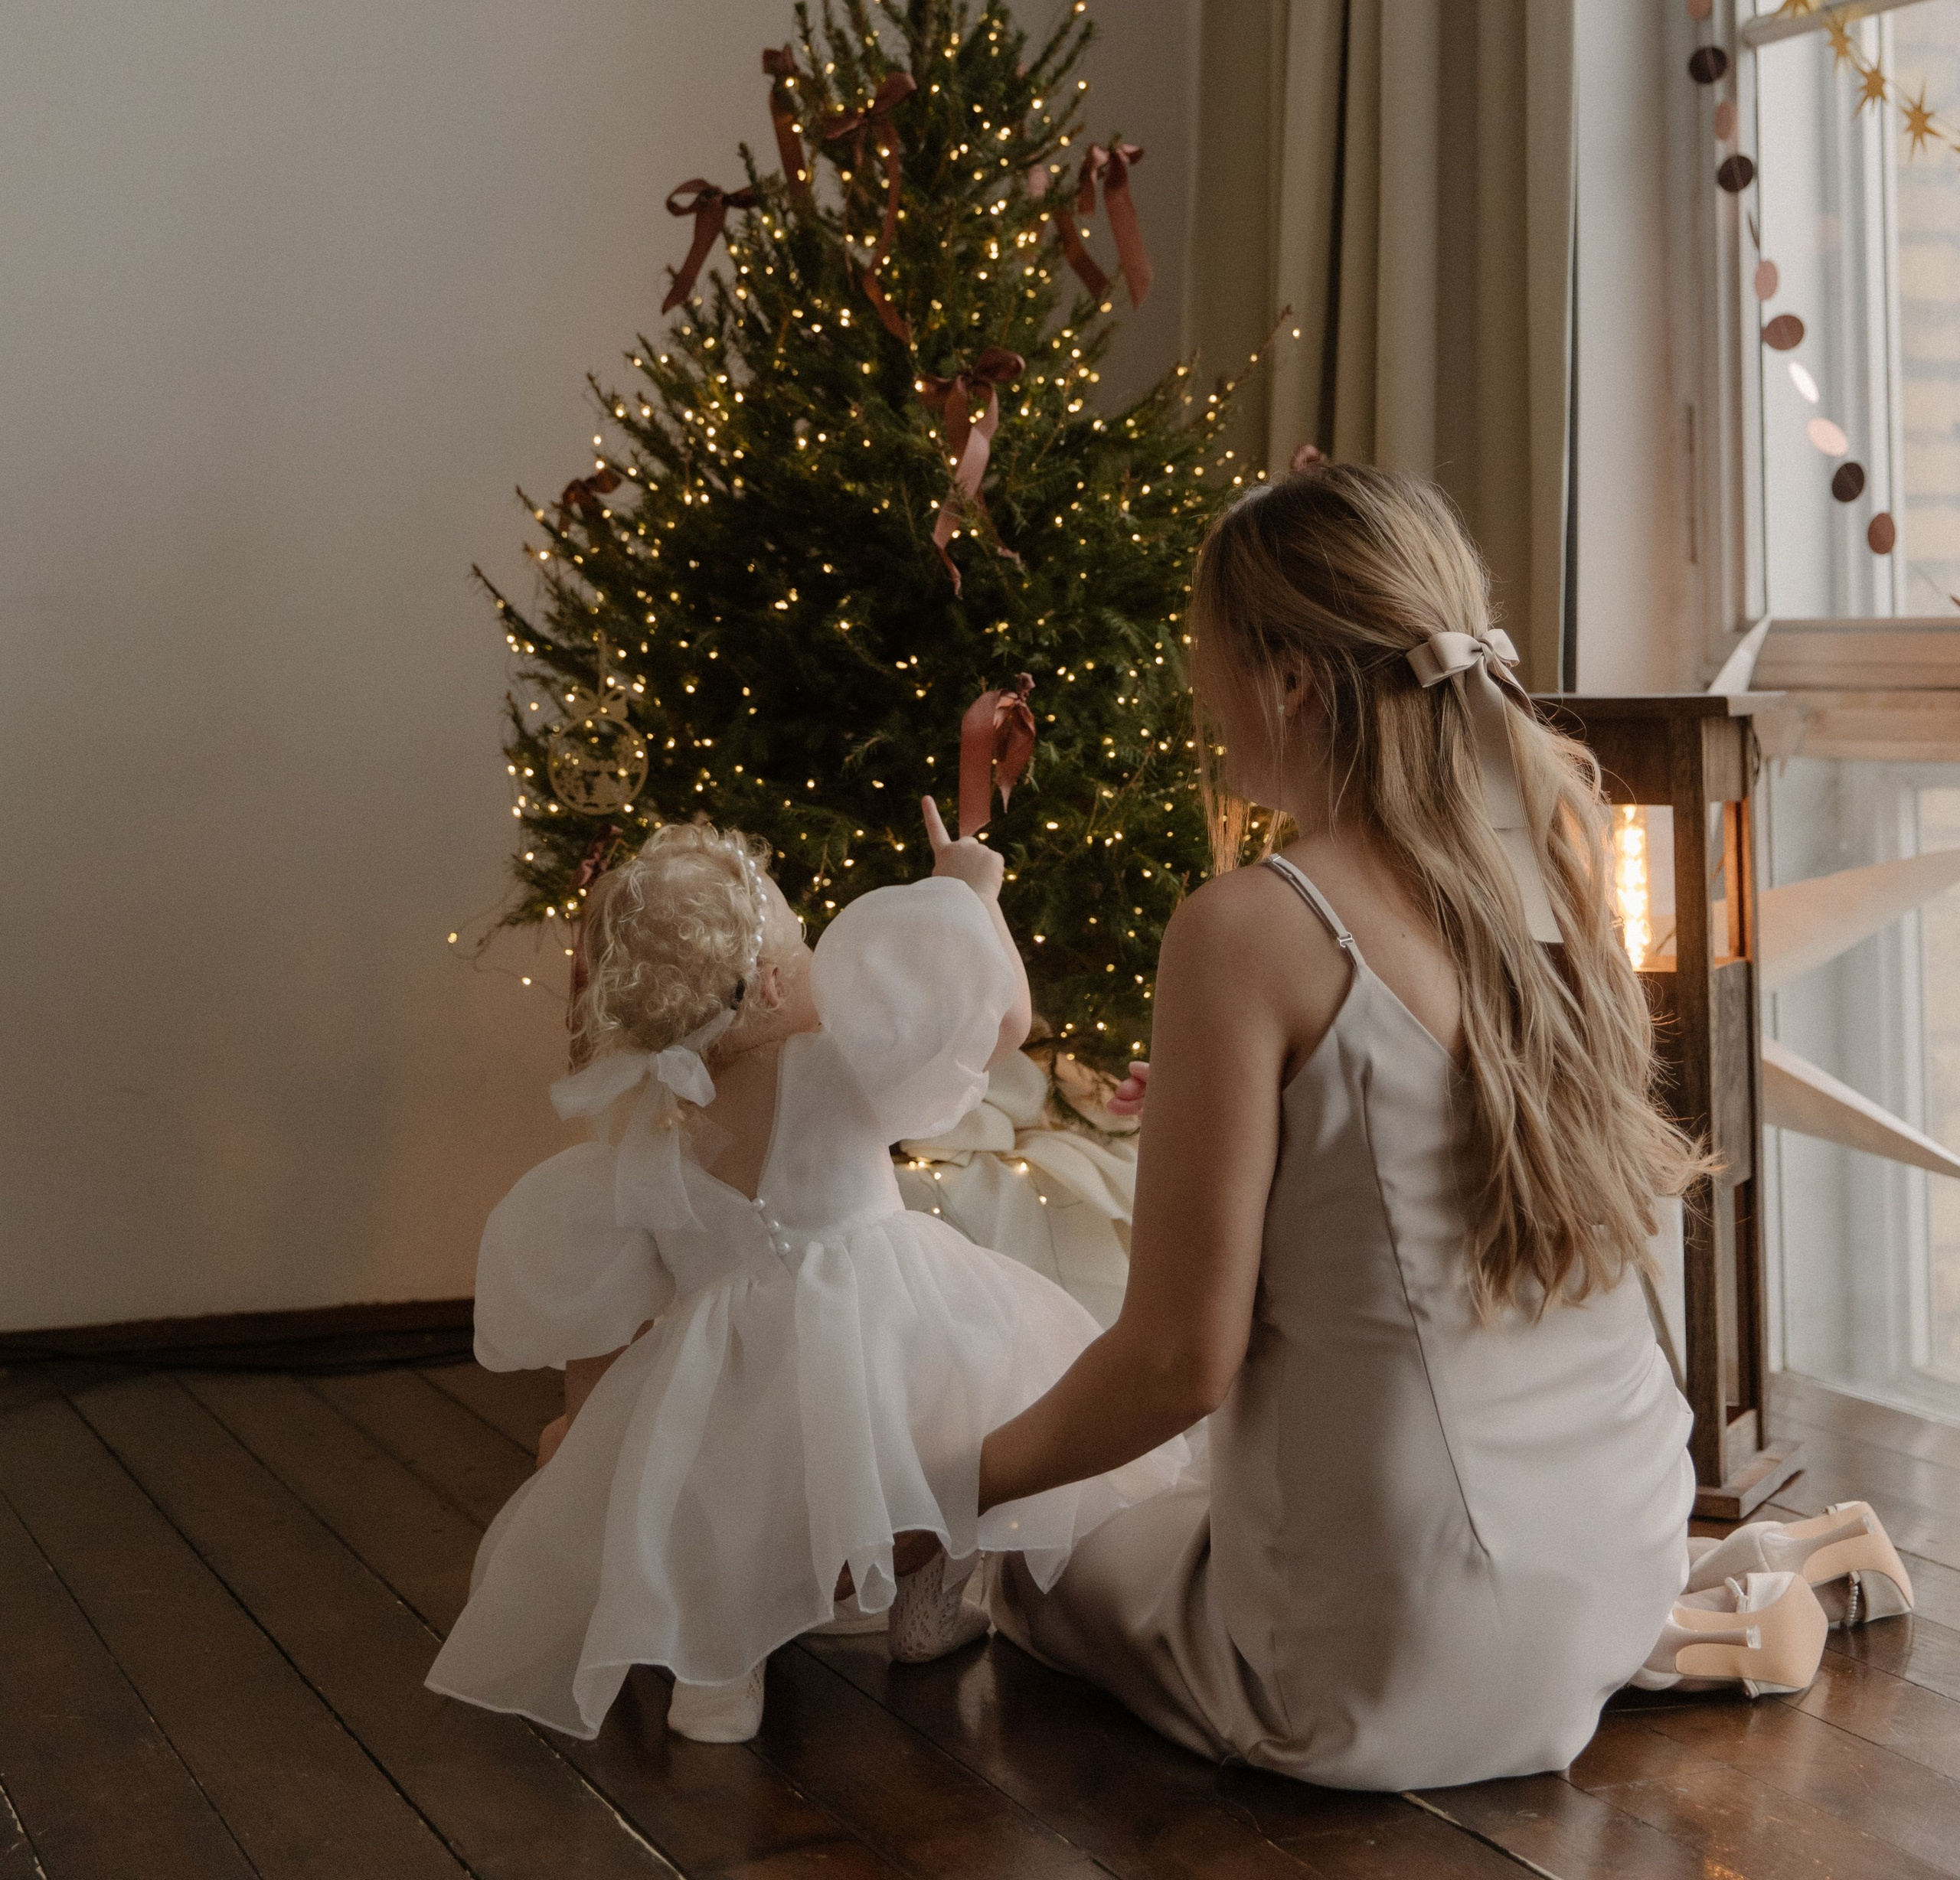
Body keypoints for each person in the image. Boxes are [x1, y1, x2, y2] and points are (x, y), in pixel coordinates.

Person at [980, 460, 1839, 1786]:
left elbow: (1176, 1364)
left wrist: (962, 1487)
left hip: (1394, 1658)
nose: (1204, 711)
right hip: (1623, 1548)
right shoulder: (1547, 864)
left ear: (1290, 683)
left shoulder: (1247, 930)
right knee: (1181, 1500)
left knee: (1043, 1568)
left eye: (1211, 673)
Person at [423, 814, 1191, 1746]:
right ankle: (928, 1608)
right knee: (958, 1442)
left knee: (718, 1502)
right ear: (779, 979)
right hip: (887, 1331)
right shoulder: (832, 1066)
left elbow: (610, 1306)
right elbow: (1000, 1028)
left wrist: (596, 1444)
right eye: (804, 937)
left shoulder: (643, 1124)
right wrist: (973, 896)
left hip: (726, 1373)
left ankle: (716, 1678)